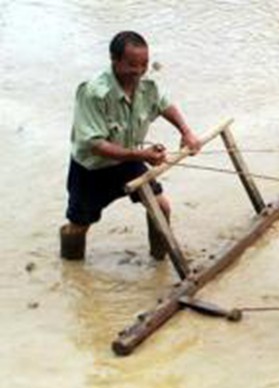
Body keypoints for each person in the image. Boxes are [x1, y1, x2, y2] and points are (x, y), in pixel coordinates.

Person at [60, 31, 201, 260]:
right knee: (78, 226)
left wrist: (186, 132)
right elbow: (95, 144)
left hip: (128, 162)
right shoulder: (93, 92)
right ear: (114, 60)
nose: (138, 71)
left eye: (144, 64)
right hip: (91, 169)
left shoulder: (147, 85)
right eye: (131, 65)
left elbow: (164, 104)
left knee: (160, 207)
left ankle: (160, 259)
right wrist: (141, 155)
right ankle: (71, 270)